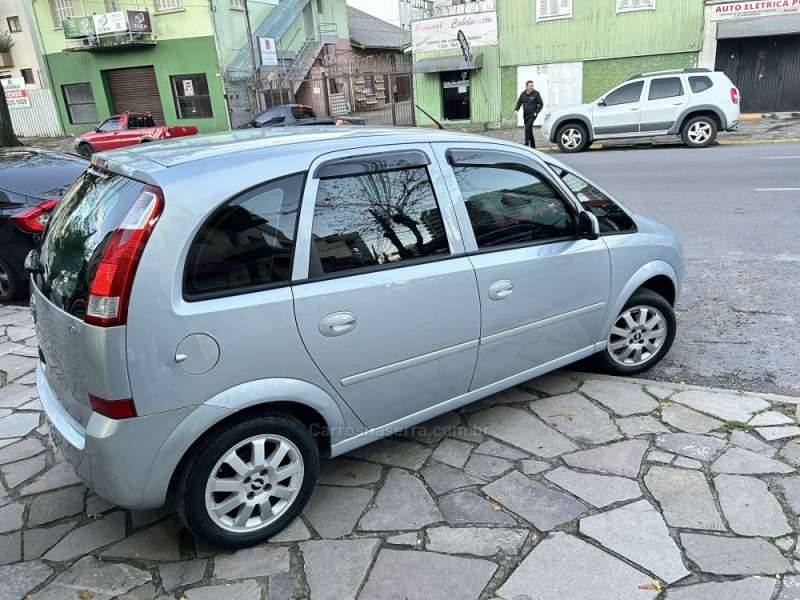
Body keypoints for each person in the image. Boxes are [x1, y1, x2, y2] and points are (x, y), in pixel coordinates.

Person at [514, 81, 544, 148]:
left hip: (532, 115)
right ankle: (533, 146)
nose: (531, 87)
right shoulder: (523, 94)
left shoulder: (536, 93)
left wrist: (536, 112)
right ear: (526, 87)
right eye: (530, 86)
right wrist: (516, 109)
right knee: (529, 130)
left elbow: (541, 104)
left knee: (527, 128)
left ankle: (526, 144)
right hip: (525, 115)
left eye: (532, 86)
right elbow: (519, 102)